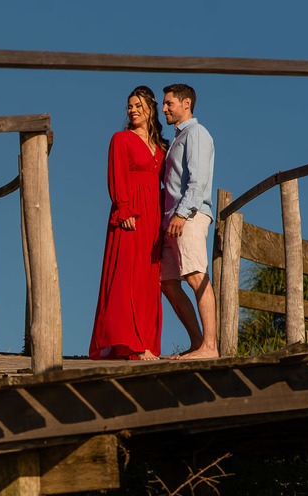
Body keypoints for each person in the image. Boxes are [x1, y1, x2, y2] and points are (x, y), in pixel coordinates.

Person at [89, 86, 167, 360]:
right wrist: (125, 210)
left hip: (154, 217)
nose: (132, 110)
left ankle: (145, 342)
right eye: (129, 106)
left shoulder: (161, 147)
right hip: (131, 214)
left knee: (148, 277)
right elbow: (117, 175)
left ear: (150, 108)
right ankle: (128, 342)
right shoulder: (121, 139)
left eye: (137, 105)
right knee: (127, 276)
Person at [160, 83, 217, 359]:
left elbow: (198, 180)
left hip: (190, 217)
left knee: (195, 276)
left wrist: (182, 214)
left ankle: (210, 347)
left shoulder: (196, 133)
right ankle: (197, 343)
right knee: (167, 282)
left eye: (169, 103)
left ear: (186, 104)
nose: (164, 109)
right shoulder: (177, 139)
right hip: (172, 220)